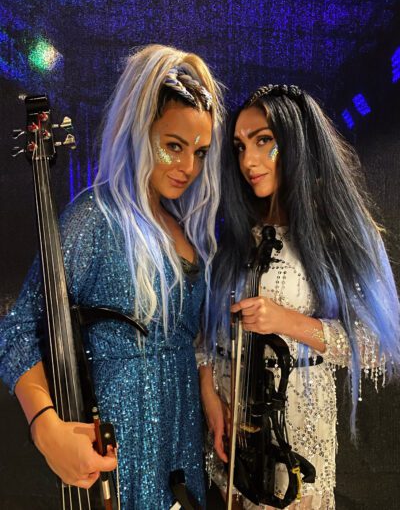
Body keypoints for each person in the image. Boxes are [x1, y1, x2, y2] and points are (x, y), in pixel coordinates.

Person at [0, 44, 224, 509]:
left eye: (200, 152)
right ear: (138, 131)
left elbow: (192, 338)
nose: (189, 167)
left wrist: (209, 394)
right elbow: (18, 330)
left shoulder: (183, 225)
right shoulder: (96, 218)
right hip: (124, 441)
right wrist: (46, 428)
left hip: (183, 437)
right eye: (174, 146)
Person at [199, 84, 400, 509]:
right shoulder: (233, 233)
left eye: (264, 141)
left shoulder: (337, 233)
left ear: (297, 142)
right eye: (240, 147)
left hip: (294, 432)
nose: (248, 160)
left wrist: (287, 321)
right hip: (230, 432)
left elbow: (375, 346)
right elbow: (206, 334)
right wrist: (210, 398)